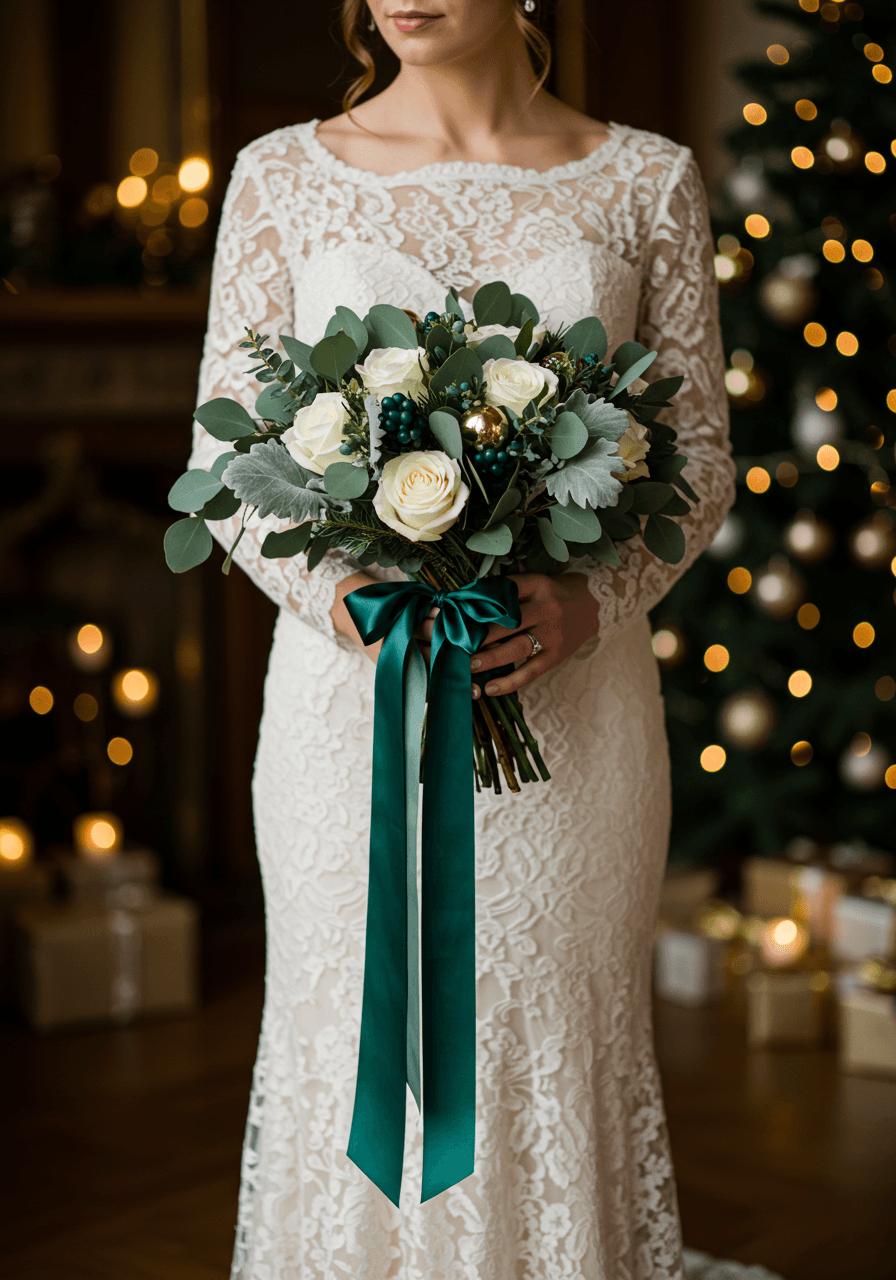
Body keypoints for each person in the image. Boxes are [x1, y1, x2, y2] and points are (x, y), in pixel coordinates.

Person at [190, 1, 744, 1276]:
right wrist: (337, 595)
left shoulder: (646, 180)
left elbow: (701, 453)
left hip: (575, 712)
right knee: (351, 1033)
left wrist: (592, 599)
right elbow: (223, 456)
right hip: (348, 704)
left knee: (546, 1019)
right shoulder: (280, 175)